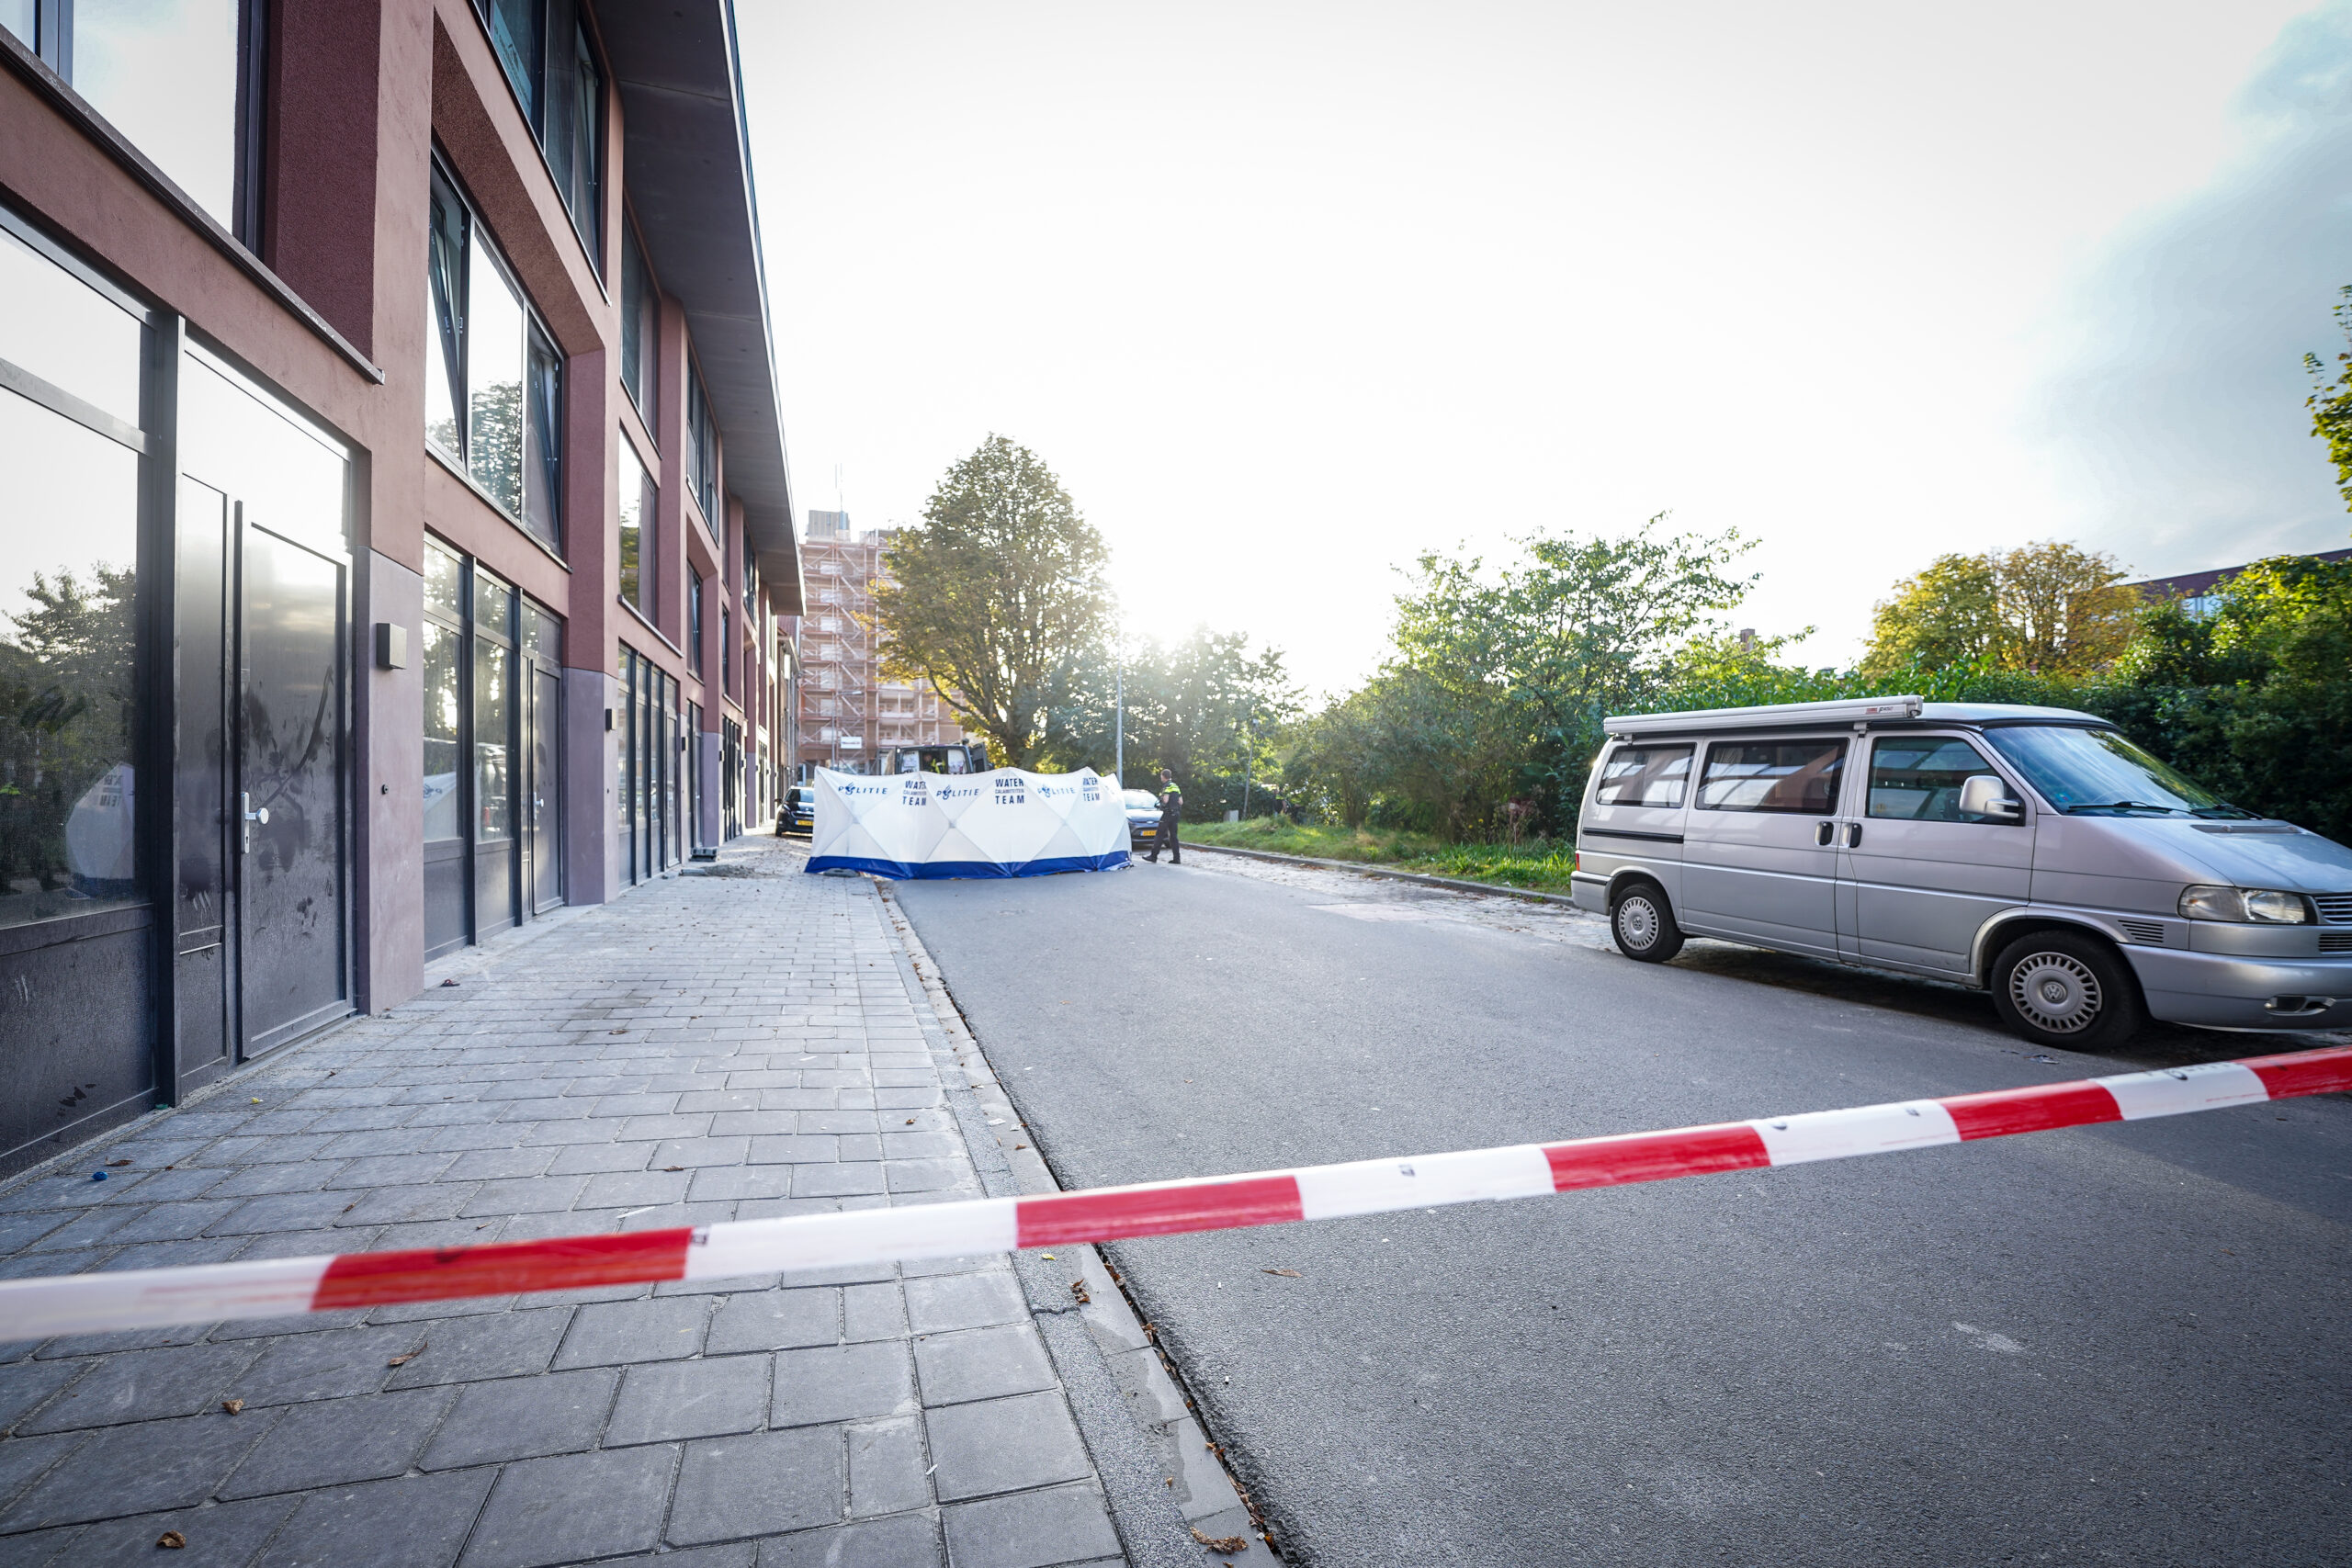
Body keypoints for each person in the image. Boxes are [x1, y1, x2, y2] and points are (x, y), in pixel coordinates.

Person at [1146, 768, 1182, 863]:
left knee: (1159, 835)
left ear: (1163, 776)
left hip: (1167, 814)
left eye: (1161, 776)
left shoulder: (1167, 786)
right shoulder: (1175, 786)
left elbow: (1165, 800)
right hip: (1176, 814)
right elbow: (1181, 802)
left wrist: (1161, 799)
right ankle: (1177, 858)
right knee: (1174, 836)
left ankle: (1153, 856)